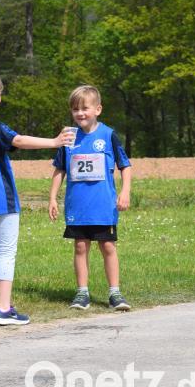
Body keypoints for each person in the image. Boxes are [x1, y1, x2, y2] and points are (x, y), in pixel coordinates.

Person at [0, 70, 71, 327]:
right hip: (3, 201)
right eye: (0, 95)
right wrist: (54, 141)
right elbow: (18, 140)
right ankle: (4, 310)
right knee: (6, 252)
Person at [48, 85, 132, 311]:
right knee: (80, 247)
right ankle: (82, 293)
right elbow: (59, 170)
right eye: (75, 109)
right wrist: (53, 198)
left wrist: (125, 191)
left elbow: (125, 165)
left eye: (85, 108)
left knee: (107, 246)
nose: (80, 113)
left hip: (103, 206)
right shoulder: (68, 137)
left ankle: (115, 293)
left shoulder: (108, 135)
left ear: (98, 109)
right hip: (78, 206)